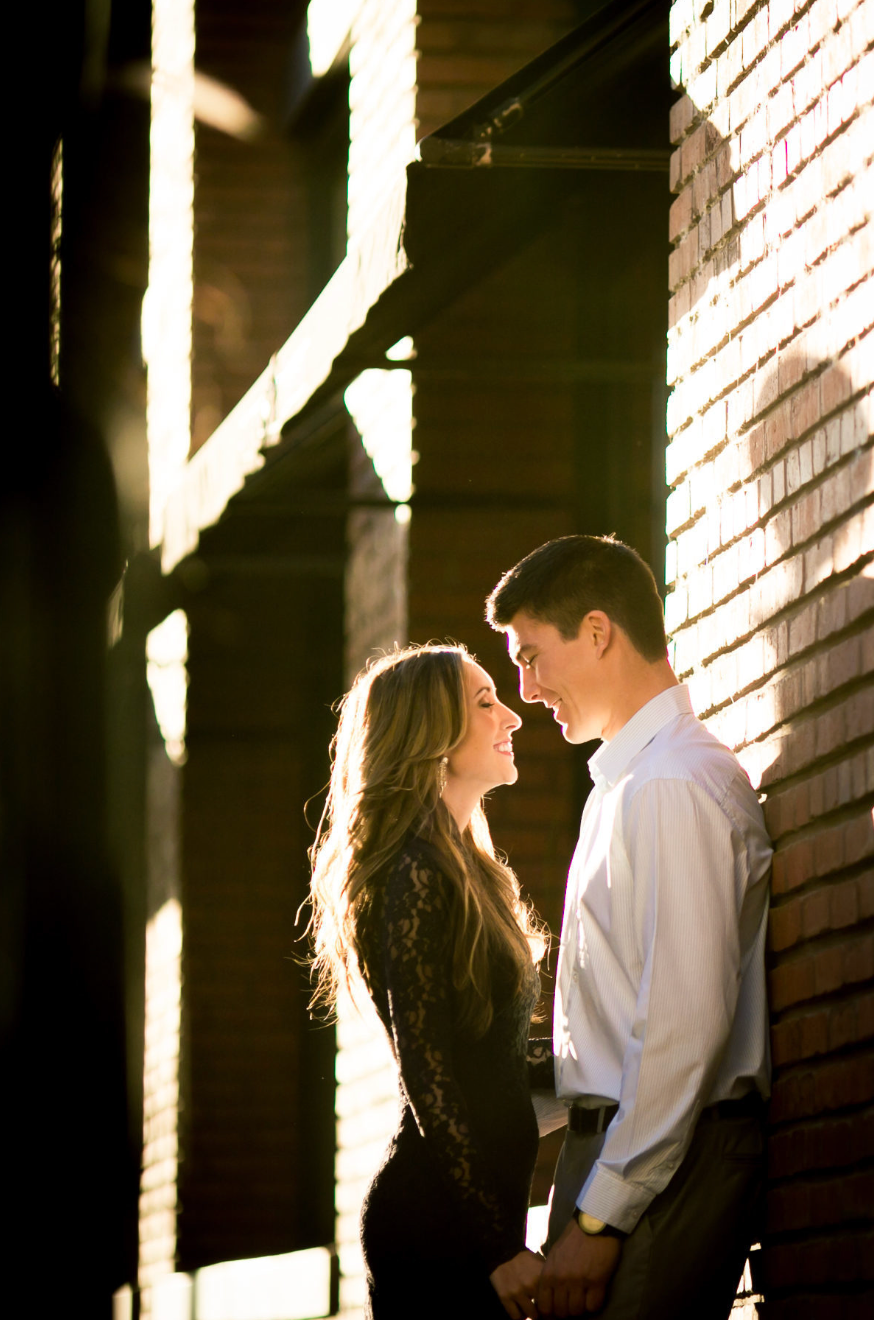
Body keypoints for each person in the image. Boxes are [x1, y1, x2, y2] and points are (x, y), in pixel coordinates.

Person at [486, 535, 772, 1320]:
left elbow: (681, 1029)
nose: (527, 687)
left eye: (533, 656)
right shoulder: (623, 785)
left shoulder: (673, 784)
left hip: (662, 1165)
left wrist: (599, 1216)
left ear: (600, 632)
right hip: (621, 1155)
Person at [307, 643, 548, 1320]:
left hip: (473, 1222)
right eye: (484, 702)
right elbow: (430, 1075)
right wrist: (498, 1245)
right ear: (430, 736)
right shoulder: (417, 874)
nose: (512, 717)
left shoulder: (469, 873)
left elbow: (488, 1062)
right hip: (440, 1232)